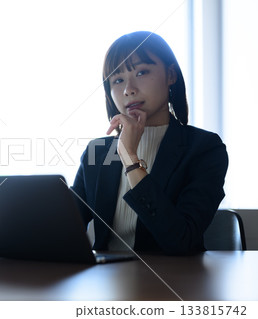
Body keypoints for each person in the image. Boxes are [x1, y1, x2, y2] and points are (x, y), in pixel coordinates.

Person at [71, 31, 228, 255]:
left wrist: (131, 160)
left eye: (142, 72)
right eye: (118, 80)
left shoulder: (204, 149)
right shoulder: (98, 151)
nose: (128, 89)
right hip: (105, 282)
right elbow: (66, 226)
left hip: (174, 282)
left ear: (170, 75)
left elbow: (180, 240)